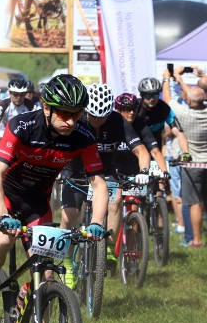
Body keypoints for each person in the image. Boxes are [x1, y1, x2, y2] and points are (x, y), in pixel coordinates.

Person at [0, 74, 107, 323]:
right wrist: (1, 215)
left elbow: (99, 185)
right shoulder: (22, 126)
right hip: (4, 195)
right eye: (64, 113)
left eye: (76, 114)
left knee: (46, 276)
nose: (71, 121)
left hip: (37, 202)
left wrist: (97, 223)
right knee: (3, 240)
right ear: (47, 108)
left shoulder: (84, 136)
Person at [60, 83, 150, 284]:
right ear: (85, 111)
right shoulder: (77, 119)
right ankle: (66, 261)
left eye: (103, 118)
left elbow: (141, 151)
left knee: (116, 198)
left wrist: (144, 171)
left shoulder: (118, 121)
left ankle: (108, 248)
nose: (98, 123)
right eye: (94, 117)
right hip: (76, 171)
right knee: (70, 216)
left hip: (104, 172)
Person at [162, 66, 207, 247]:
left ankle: (197, 240)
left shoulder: (184, 113)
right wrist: (203, 75)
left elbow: (168, 99)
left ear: (189, 101)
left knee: (195, 203)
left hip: (192, 165)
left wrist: (168, 78)